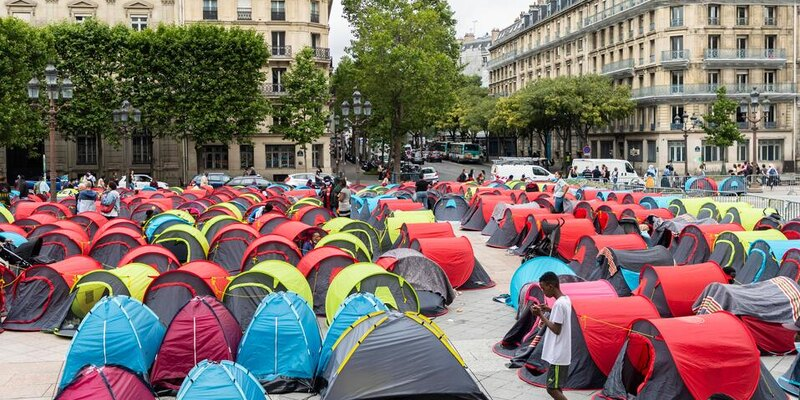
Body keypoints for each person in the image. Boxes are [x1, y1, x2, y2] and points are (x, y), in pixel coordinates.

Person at [530, 271, 571, 400]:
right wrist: (549, 310)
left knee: (551, 389)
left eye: (543, 288)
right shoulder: (565, 300)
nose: (543, 292)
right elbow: (561, 319)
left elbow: (556, 329)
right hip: (562, 353)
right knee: (556, 387)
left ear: (550, 286)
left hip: (558, 355)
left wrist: (540, 315)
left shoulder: (559, 304)